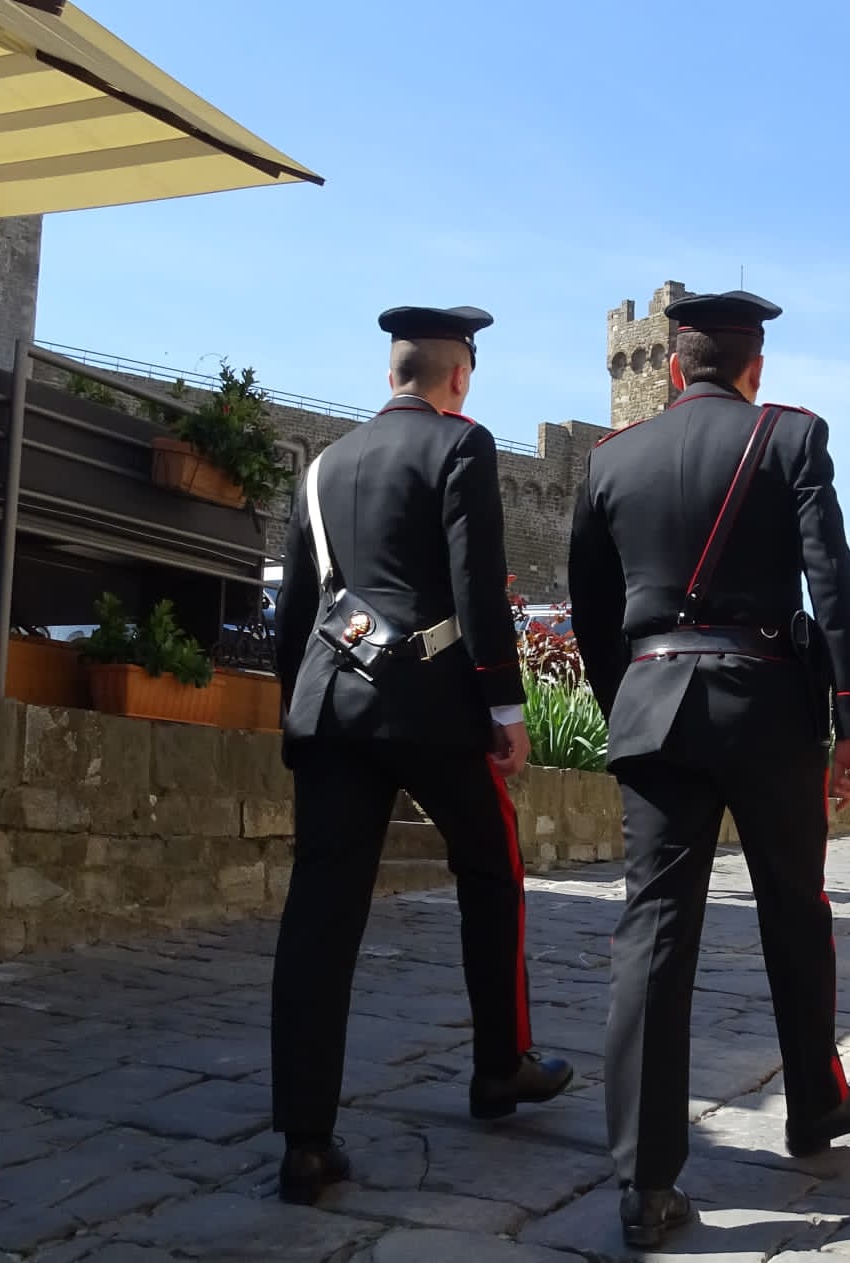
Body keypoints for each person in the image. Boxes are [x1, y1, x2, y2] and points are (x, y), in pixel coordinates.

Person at [569, 290, 850, 1249]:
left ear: (672, 369)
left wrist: (625, 703)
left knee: (652, 930)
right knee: (795, 909)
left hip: (653, 703)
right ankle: (814, 1102)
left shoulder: (610, 458)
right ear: (755, 369)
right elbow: (831, 581)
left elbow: (591, 607)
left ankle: (645, 1180)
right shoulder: (790, 437)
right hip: (766, 706)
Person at [269, 305, 573, 1205]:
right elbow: (477, 581)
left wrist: (296, 708)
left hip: (331, 707)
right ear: (459, 376)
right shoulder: (460, 444)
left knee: (318, 917)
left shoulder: (322, 466)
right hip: (433, 707)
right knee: (493, 871)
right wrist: (505, 705)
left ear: (390, 373)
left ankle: (304, 1140)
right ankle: (499, 1065)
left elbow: (296, 606)